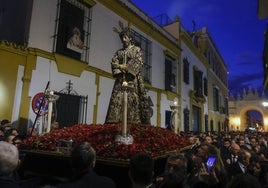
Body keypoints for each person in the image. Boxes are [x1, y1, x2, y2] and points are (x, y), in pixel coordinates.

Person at [105, 22, 151, 125]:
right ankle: (115, 122)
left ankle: (133, 123)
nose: (123, 40)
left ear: (130, 38)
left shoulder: (136, 50)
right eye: (122, 38)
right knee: (117, 100)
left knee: (133, 99)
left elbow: (138, 63)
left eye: (125, 37)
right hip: (120, 80)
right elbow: (114, 63)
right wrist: (122, 68)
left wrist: (122, 67)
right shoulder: (119, 52)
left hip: (133, 80)